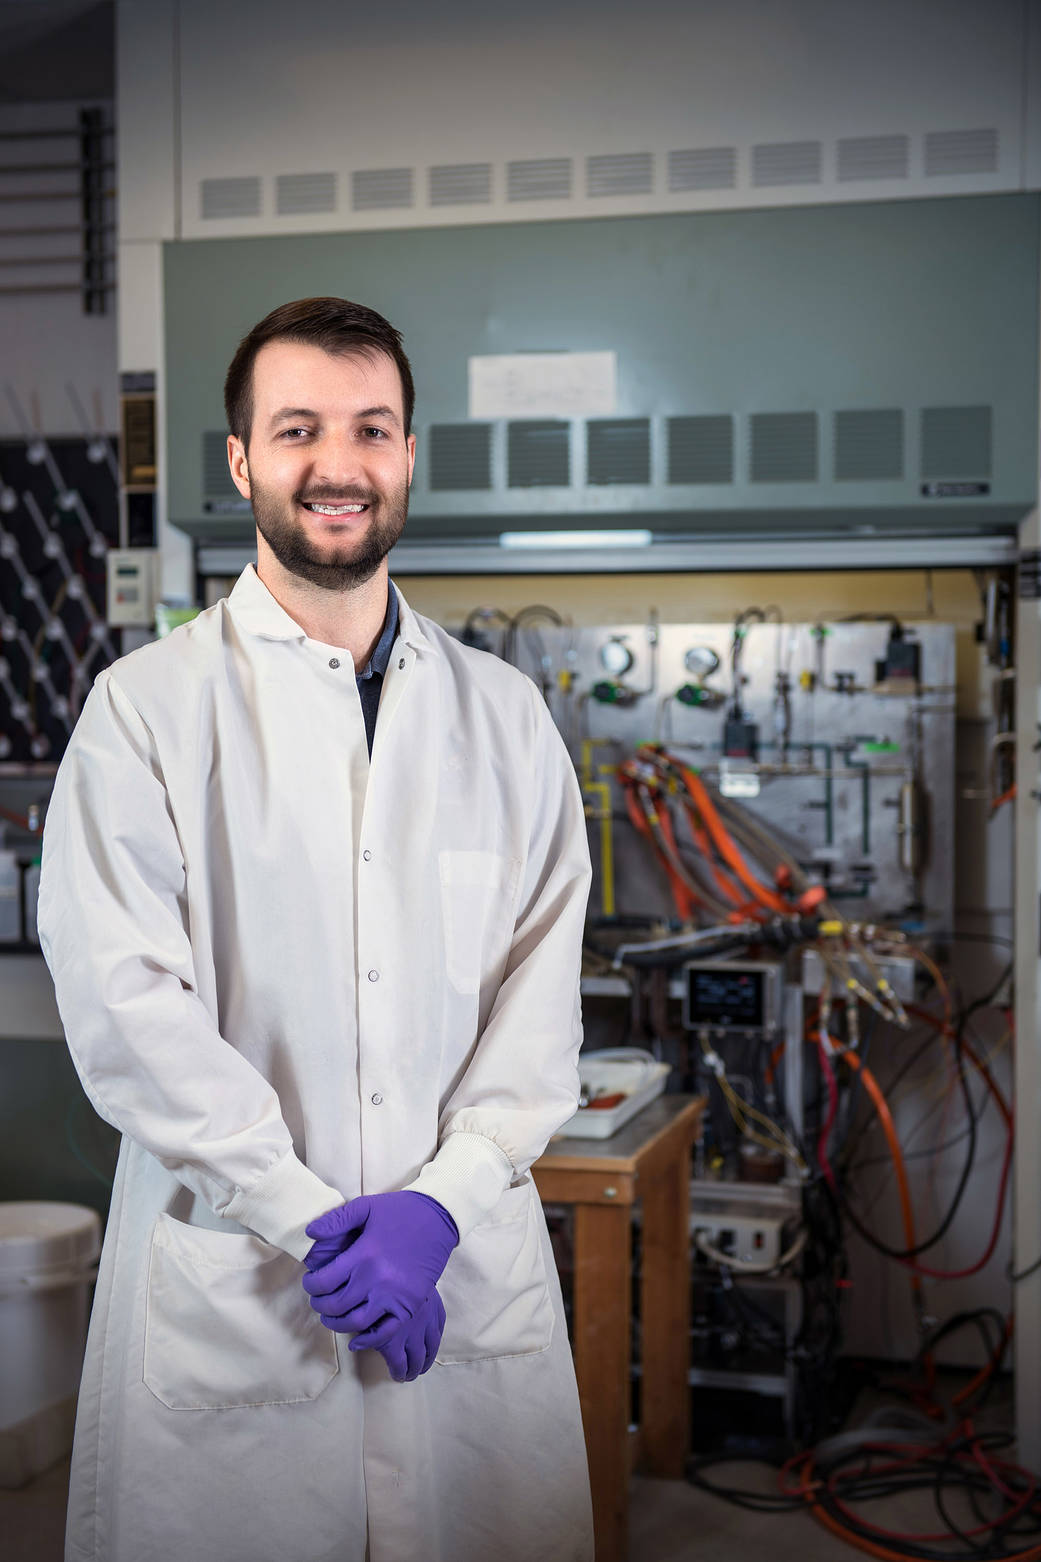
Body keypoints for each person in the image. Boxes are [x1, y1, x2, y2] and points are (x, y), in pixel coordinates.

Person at [38, 297, 595, 1562]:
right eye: (297, 429)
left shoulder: (506, 721)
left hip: (462, 1264)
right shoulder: (144, 714)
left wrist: (440, 1207)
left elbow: (539, 995)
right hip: (241, 1276)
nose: (336, 465)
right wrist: (309, 1219)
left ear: (408, 454)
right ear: (240, 461)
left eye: (370, 428)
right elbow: (127, 1006)